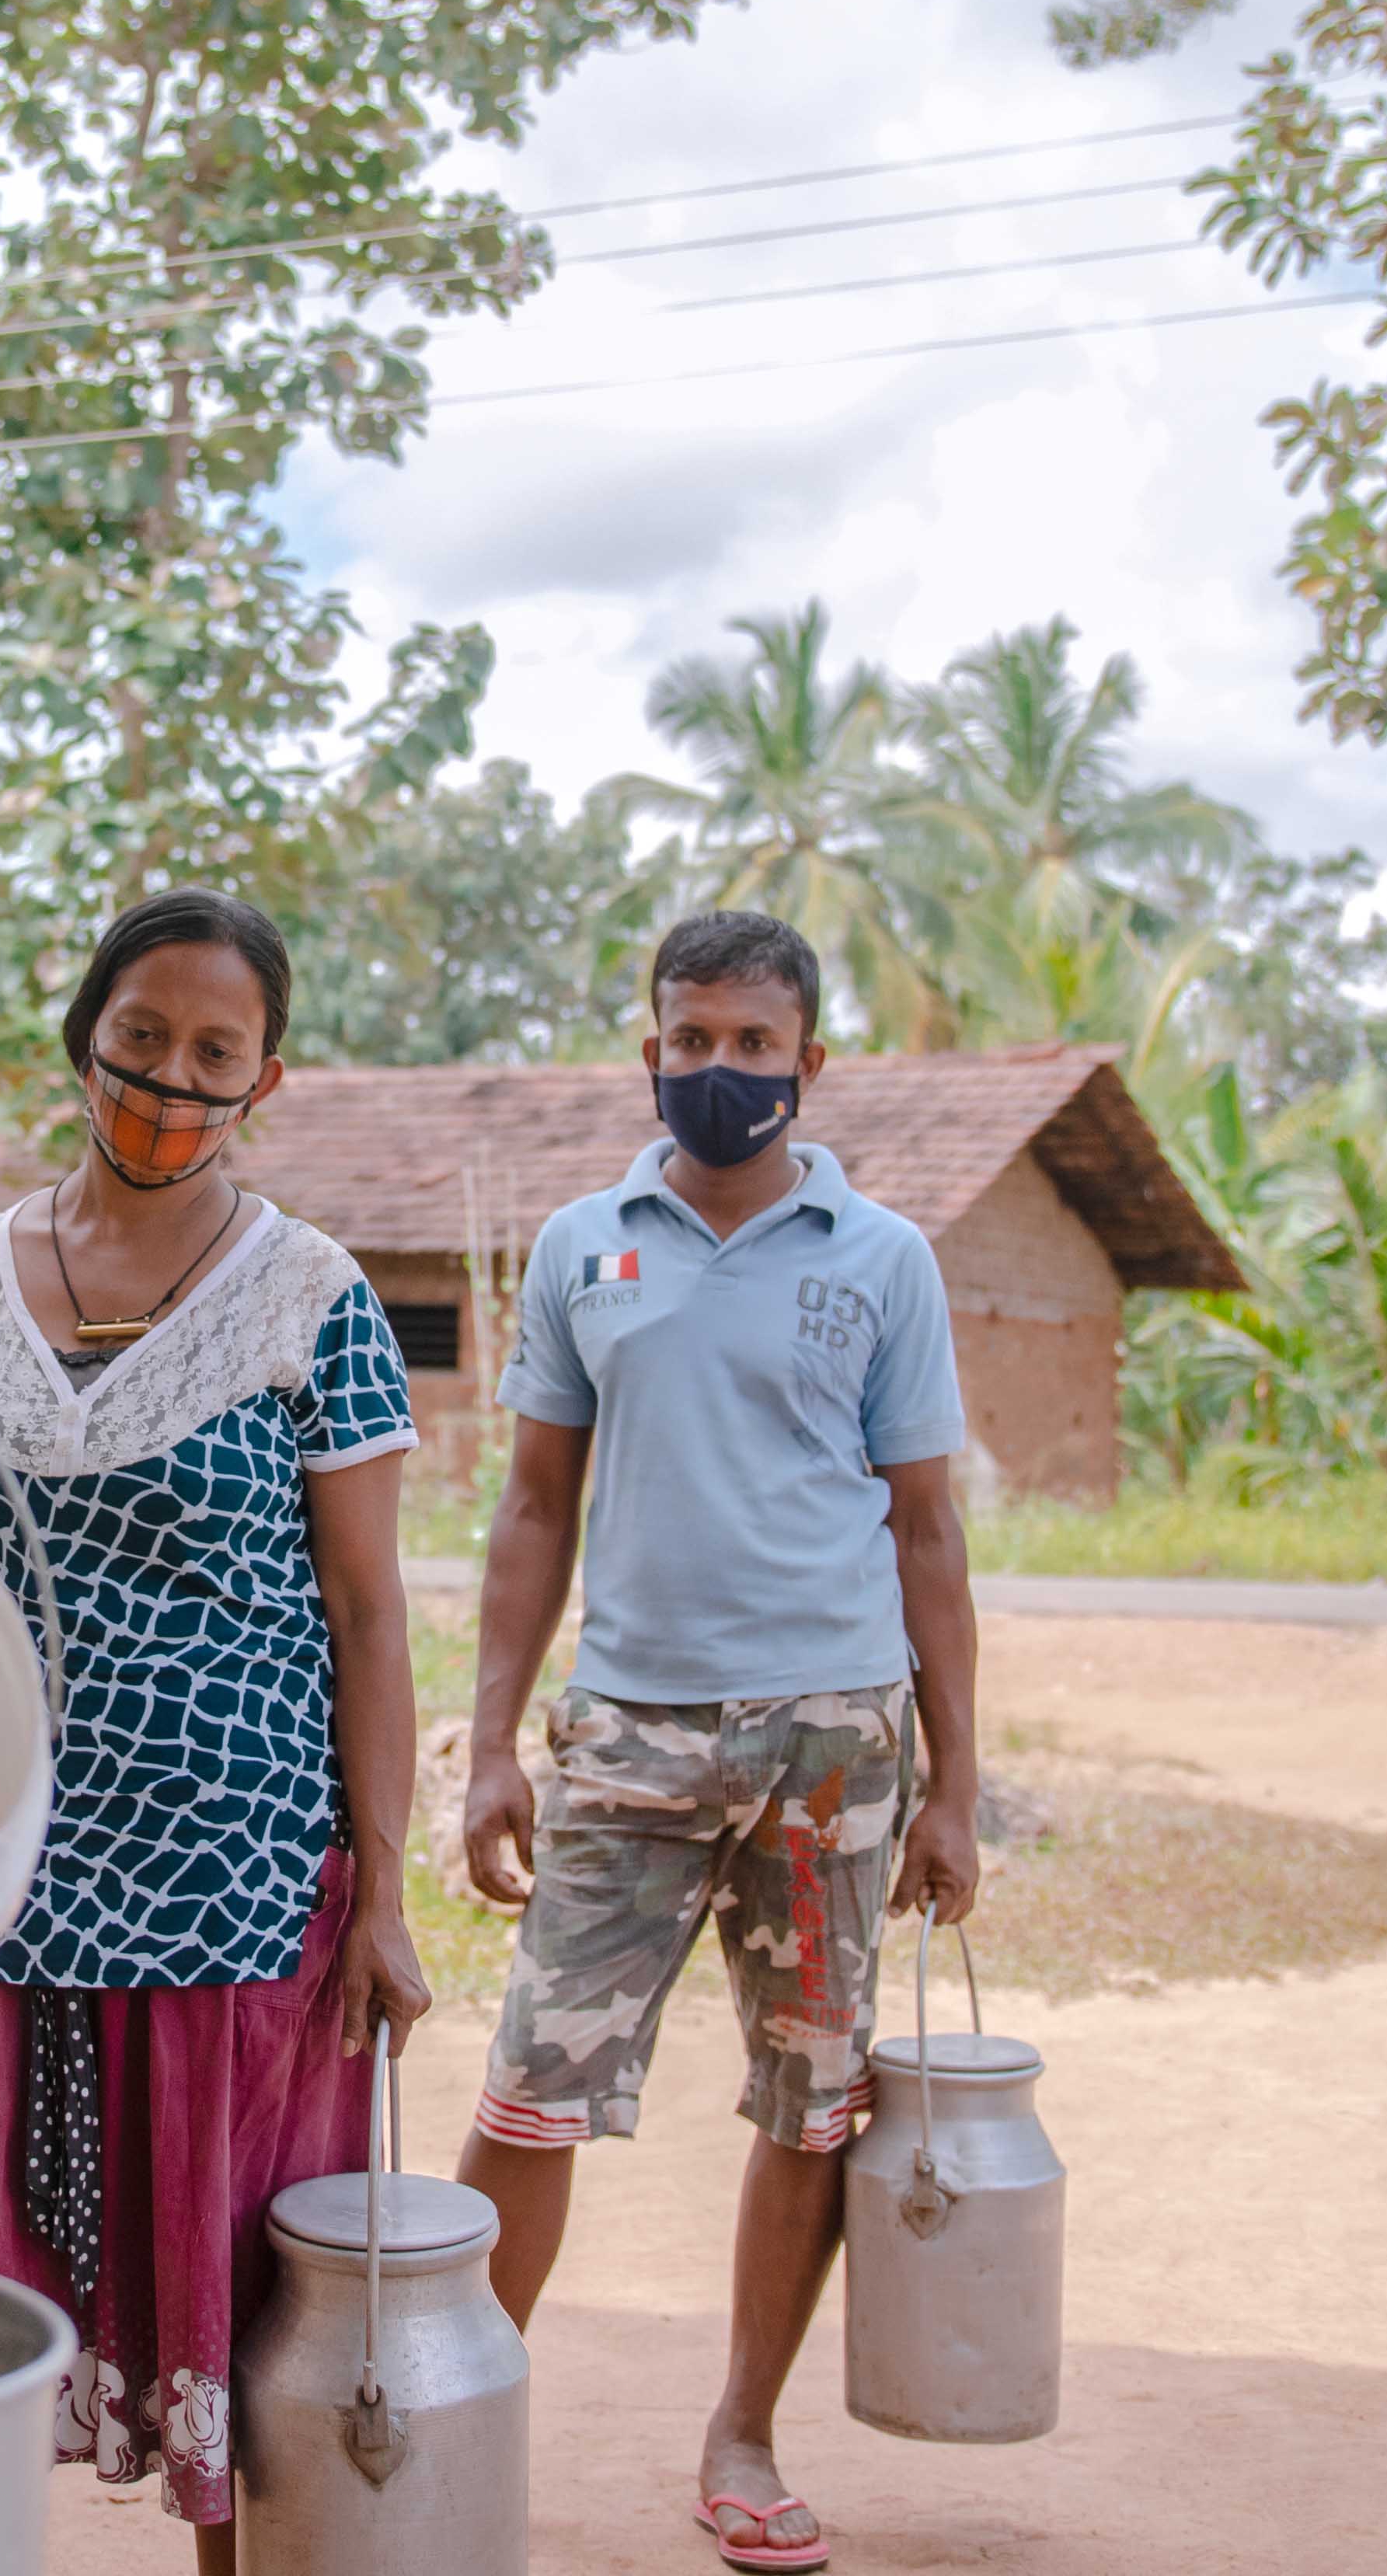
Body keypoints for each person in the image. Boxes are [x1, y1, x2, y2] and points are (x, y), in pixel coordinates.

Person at [0, 890, 433, 2565]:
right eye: (142, 1039)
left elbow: (371, 1612)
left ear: (268, 1080)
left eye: (212, 1054)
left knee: (241, 2338)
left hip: (230, 1885)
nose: (169, 1081)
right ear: (82, 1035)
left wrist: (384, 1888)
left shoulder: (308, 1298)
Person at [450, 907, 984, 2576]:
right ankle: (460, 2423)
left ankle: (743, 2429)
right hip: (629, 1733)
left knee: (812, 2108)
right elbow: (535, 1507)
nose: (722, 1070)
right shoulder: (580, 1243)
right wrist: (486, 1748)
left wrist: (957, 1785)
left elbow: (929, 1536)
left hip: (836, 1741)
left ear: (812, 1063)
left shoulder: (883, 1255)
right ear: (652, 1048)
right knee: (531, 2094)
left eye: (756, 1044)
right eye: (693, 1040)